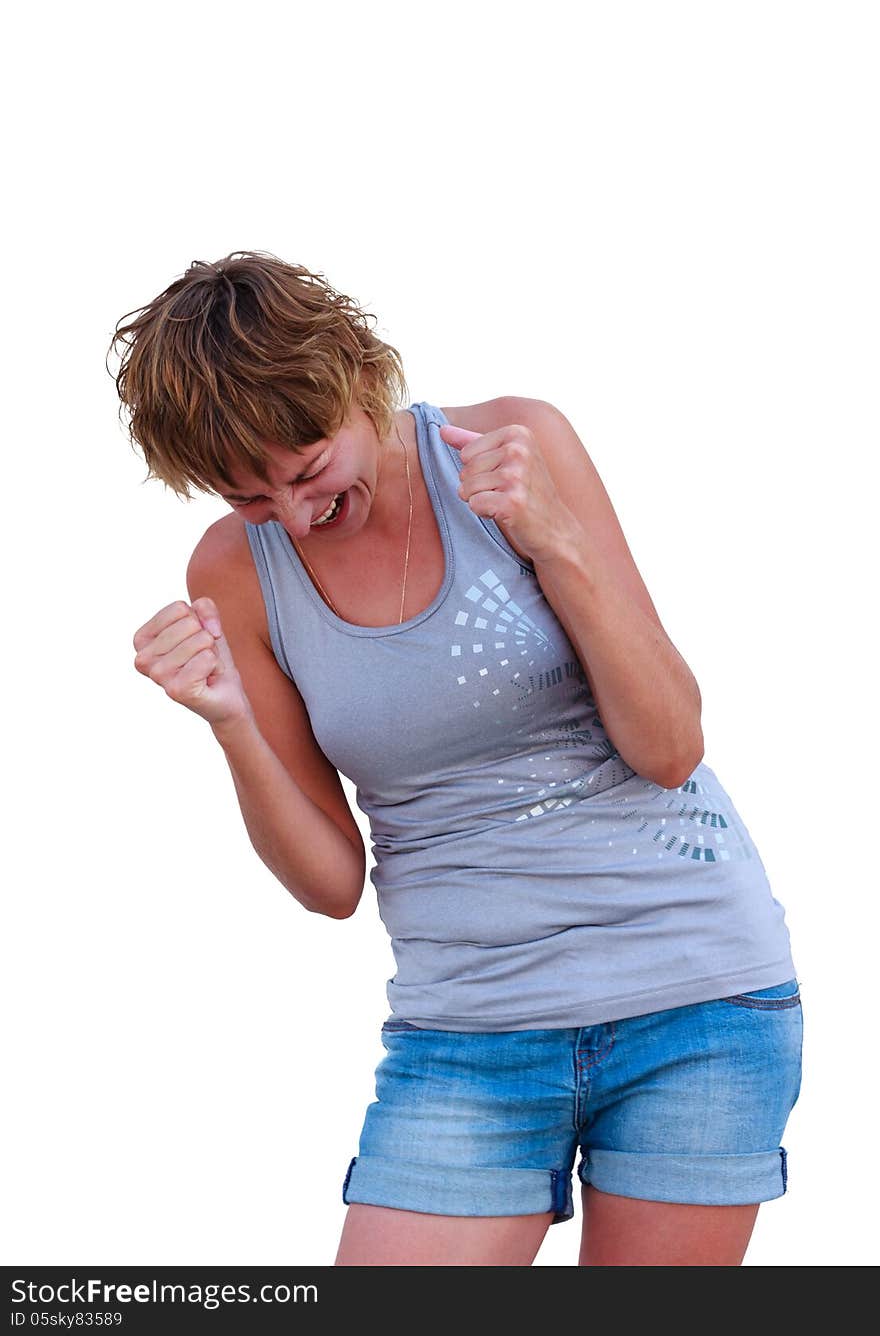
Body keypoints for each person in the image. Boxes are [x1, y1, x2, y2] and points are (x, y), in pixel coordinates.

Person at [112, 250, 802, 1267]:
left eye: (306, 470)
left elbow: (669, 746)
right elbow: (330, 885)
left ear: (358, 377)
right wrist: (230, 724)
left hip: (692, 995)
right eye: (252, 498)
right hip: (467, 1033)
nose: (294, 514)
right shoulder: (234, 570)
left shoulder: (515, 447)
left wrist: (554, 539)